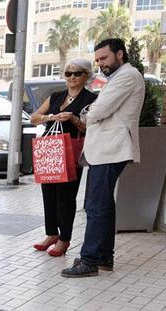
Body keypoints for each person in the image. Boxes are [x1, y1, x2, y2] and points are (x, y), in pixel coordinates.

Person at [62, 38, 144, 278]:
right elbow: (96, 109)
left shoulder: (128, 76)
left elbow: (98, 110)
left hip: (112, 148)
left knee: (96, 205)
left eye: (104, 58)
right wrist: (91, 110)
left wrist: (89, 111)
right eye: (97, 60)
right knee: (103, 204)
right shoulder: (116, 78)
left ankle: (89, 260)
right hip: (107, 149)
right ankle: (104, 256)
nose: (100, 64)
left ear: (120, 54)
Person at [30, 59, 97, 257]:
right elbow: (34, 117)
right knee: (48, 191)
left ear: (86, 76)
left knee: (66, 196)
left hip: (72, 149)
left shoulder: (91, 99)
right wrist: (51, 117)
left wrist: (73, 119)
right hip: (50, 148)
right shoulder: (56, 96)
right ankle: (51, 233)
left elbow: (89, 127)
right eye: (68, 73)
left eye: (77, 73)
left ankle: (64, 238)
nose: (72, 77)